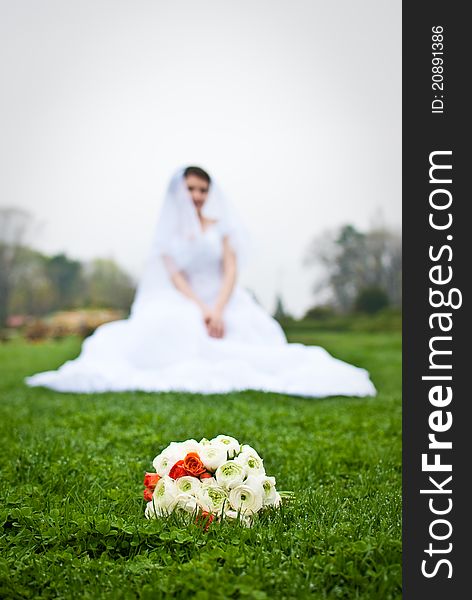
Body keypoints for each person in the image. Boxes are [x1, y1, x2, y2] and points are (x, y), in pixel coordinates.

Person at [25, 166, 376, 397]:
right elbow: (175, 276)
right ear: (180, 190)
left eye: (203, 189)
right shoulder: (168, 234)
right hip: (188, 298)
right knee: (175, 325)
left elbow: (231, 269)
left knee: (254, 337)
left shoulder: (220, 226)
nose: (197, 195)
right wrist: (202, 309)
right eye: (191, 188)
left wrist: (219, 309)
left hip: (225, 297)